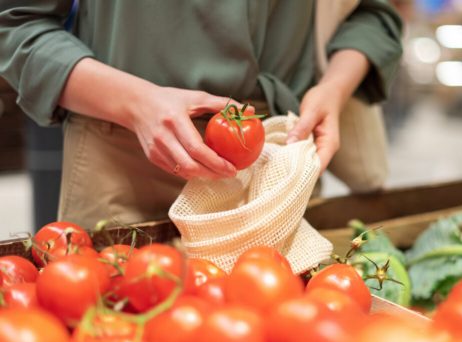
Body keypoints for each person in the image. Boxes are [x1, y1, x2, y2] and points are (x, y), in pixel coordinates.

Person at [0, 1, 403, 229]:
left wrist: (333, 89)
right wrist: (137, 104)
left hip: (278, 162)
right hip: (125, 164)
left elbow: (373, 13)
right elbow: (15, 25)